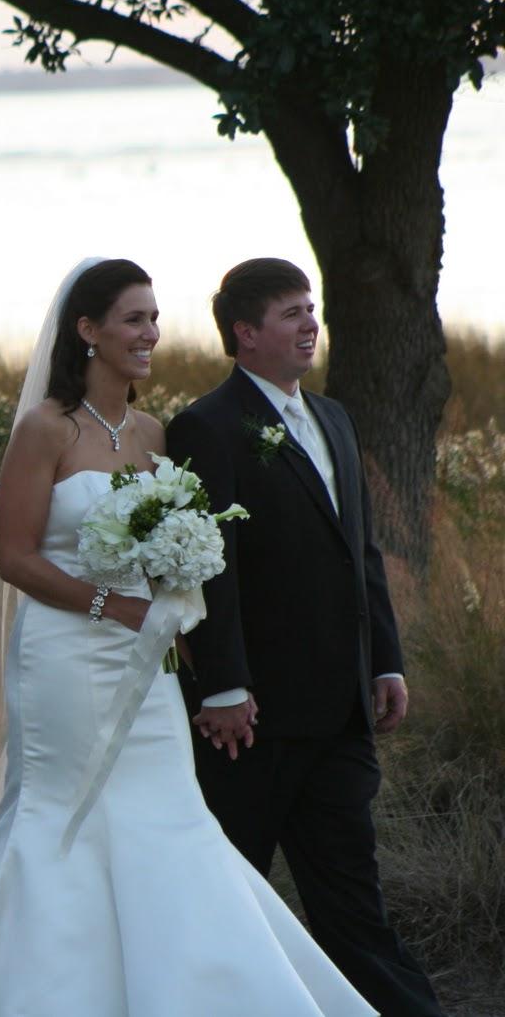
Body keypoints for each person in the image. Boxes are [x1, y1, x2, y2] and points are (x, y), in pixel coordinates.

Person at [0, 259, 371, 1016]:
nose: (149, 333)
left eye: (155, 317)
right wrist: (107, 604)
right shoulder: (45, 429)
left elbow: (178, 567)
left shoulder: (156, 433)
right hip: (63, 656)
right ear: (88, 330)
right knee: (60, 818)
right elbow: (17, 557)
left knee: (167, 813)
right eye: (133, 318)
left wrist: (192, 642)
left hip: (147, 662)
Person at [166, 258, 444, 1016]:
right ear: (244, 333)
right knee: (230, 893)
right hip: (250, 719)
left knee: (354, 903)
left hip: (341, 710)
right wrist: (223, 684)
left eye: (311, 309)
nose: (309, 324)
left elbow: (362, 553)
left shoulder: (335, 418)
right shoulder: (207, 426)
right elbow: (206, 569)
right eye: (291, 312)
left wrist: (385, 660)